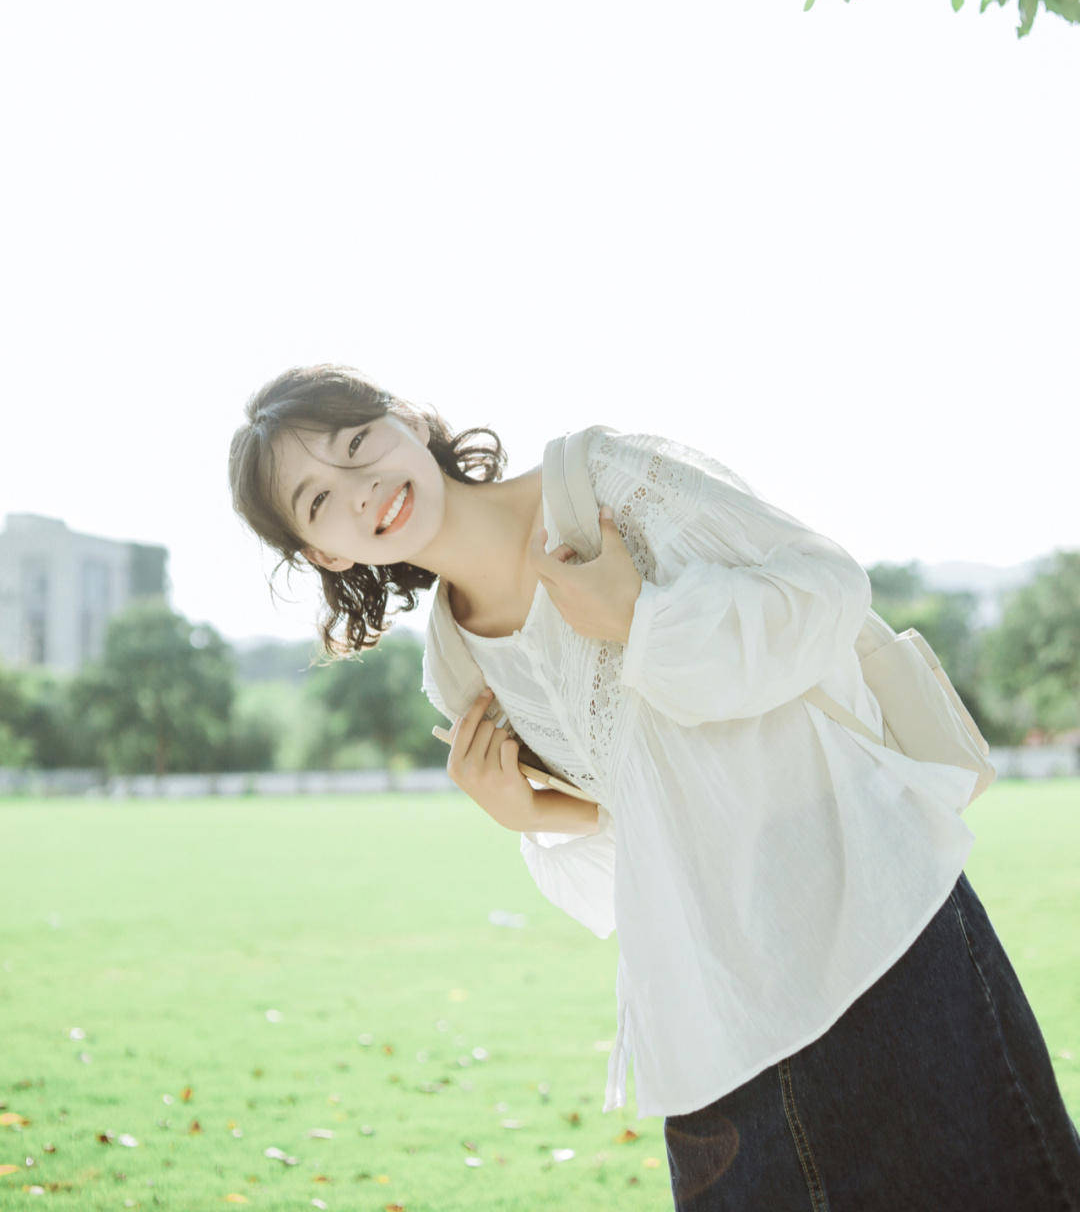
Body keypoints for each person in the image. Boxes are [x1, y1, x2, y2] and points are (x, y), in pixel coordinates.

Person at [229, 363, 1080, 1211]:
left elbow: (825, 589)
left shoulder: (601, 479)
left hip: (873, 935)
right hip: (711, 1019)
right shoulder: (458, 671)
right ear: (325, 551)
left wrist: (643, 620)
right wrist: (533, 815)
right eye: (318, 498)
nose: (362, 484)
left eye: (357, 443)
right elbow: (643, 848)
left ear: (406, 422)